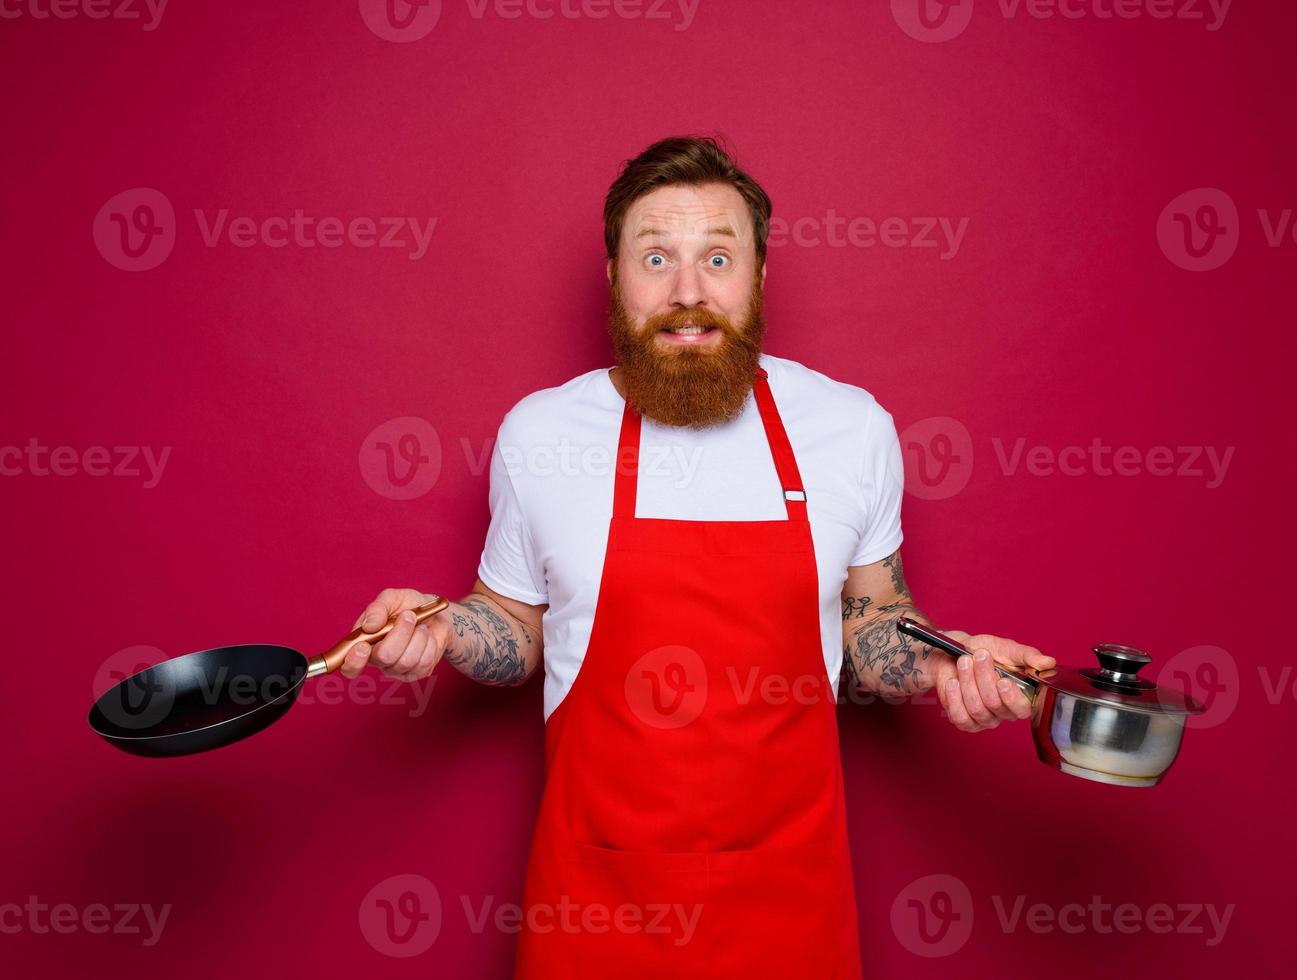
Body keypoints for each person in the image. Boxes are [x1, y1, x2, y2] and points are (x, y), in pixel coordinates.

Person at [343, 135, 1055, 979]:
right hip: (595, 901)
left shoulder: (848, 427)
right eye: (656, 257)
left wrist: (950, 665)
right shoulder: (541, 434)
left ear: (760, 274)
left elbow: (874, 628)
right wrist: (439, 631)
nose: (688, 293)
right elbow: (512, 625)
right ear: (613, 276)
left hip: (790, 901)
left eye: (718, 257)